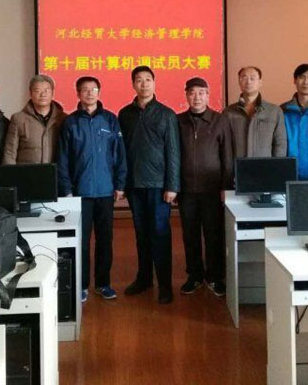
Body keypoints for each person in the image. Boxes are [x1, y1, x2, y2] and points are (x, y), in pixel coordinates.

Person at [57, 76, 126, 303]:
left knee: (105, 240)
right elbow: (63, 159)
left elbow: (120, 154)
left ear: (99, 92)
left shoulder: (110, 120)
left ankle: (103, 284)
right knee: (82, 241)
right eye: (85, 90)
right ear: (78, 93)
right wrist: (67, 189)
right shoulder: (70, 122)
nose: (89, 93)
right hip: (80, 192)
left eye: (93, 89)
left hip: (106, 191)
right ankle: (82, 285)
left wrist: (120, 184)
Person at [118, 66, 181, 304]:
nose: (144, 84)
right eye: (139, 80)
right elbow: (122, 152)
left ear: (154, 83)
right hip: (135, 184)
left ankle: (165, 285)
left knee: (160, 234)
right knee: (141, 234)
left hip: (159, 186)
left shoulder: (166, 114)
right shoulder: (125, 114)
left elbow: (173, 152)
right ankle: (144, 278)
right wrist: (122, 183)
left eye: (148, 80)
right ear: (133, 84)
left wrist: (172, 186)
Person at [176, 77, 233, 297]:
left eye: (201, 93)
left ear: (208, 95)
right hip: (187, 190)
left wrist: (225, 187)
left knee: (213, 235)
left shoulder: (220, 121)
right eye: (192, 93)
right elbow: (174, 156)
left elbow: (227, 156)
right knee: (189, 235)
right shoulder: (178, 121)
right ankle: (194, 276)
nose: (197, 97)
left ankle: (215, 277)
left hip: (212, 189)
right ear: (186, 95)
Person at [223, 66, 287, 158]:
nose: (248, 82)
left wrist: (276, 165)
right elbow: (225, 145)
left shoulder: (274, 111)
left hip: (265, 165)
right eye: (244, 78)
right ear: (239, 82)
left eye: (252, 78)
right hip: (237, 165)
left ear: (260, 82)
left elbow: (280, 143)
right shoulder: (228, 112)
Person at [3, 74, 67, 165]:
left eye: (46, 90)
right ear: (30, 93)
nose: (43, 94)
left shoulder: (63, 119)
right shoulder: (18, 118)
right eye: (37, 91)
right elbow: (10, 152)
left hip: (55, 172)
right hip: (26, 172)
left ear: (52, 93)